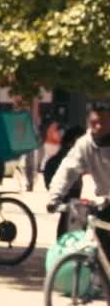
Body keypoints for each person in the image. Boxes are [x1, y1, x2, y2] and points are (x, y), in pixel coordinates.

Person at [47, 103, 110, 248]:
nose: (99, 126)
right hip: (107, 201)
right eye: (94, 122)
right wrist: (54, 198)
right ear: (88, 122)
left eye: (104, 122)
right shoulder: (84, 144)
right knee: (99, 242)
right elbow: (67, 170)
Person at [44, 125, 84, 238]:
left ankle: (63, 240)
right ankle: (64, 241)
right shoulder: (69, 155)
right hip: (69, 188)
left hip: (67, 188)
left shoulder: (66, 152)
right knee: (68, 217)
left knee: (67, 217)